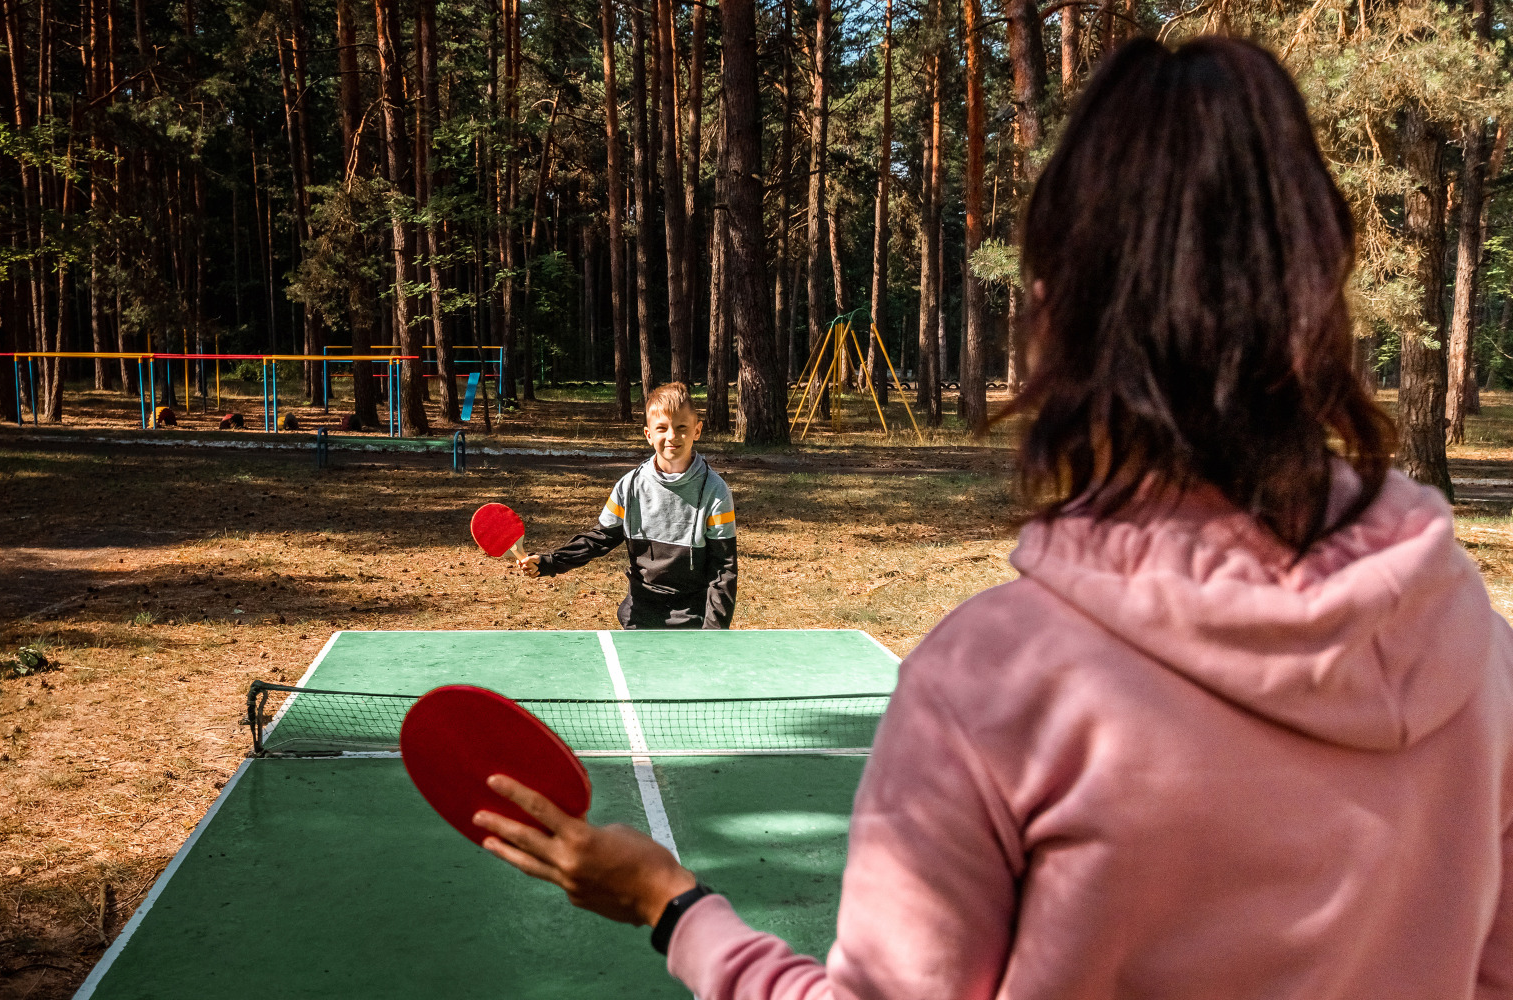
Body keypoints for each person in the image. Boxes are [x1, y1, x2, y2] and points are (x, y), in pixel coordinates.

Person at [474, 37, 1513, 999]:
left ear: (1055, 307)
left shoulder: (993, 682)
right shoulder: (1471, 636)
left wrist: (676, 908)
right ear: (1321, 290)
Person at [519, 381, 738, 629]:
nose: (672, 437)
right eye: (662, 428)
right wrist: (550, 562)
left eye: (682, 427)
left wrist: (714, 634)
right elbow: (599, 539)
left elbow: (723, 570)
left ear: (697, 431)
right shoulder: (629, 486)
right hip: (639, 616)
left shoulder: (715, 491)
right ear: (648, 435)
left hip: (692, 619)